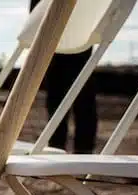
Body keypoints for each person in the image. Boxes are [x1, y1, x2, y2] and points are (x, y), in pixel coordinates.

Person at [30, 0, 98, 154]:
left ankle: (83, 150)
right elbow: (37, 11)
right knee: (58, 97)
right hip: (54, 42)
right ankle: (57, 147)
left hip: (79, 36)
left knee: (82, 96)